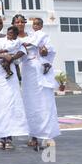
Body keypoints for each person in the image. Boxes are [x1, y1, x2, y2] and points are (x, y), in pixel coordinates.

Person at [13, 14, 60, 148]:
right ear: (13, 24)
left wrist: (45, 54)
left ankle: (48, 136)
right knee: (31, 104)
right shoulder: (12, 39)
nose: (20, 24)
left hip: (41, 70)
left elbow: (49, 50)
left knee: (45, 102)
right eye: (17, 22)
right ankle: (33, 135)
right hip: (28, 73)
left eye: (22, 21)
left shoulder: (34, 36)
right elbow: (15, 59)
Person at [0, 14, 29, 150]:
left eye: (0, 23)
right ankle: (1, 137)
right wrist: (2, 56)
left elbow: (23, 50)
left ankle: (9, 138)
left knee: (11, 105)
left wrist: (12, 57)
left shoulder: (9, 37)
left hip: (10, 75)